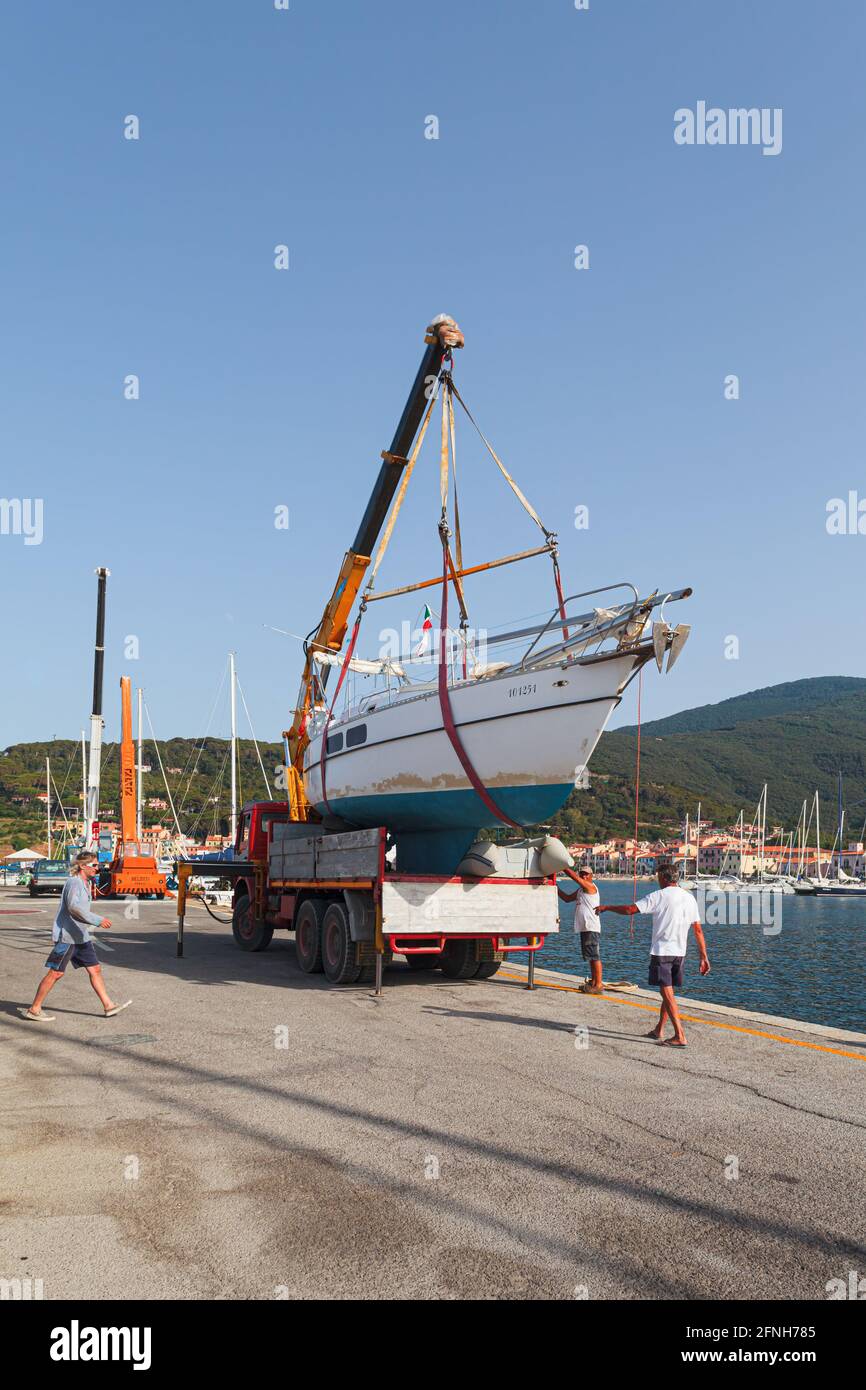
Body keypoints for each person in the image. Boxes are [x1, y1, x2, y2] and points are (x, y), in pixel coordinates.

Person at [596, 862, 709, 1046]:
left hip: (662, 952)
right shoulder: (689, 898)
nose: (657, 880)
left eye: (658, 877)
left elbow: (630, 910)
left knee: (667, 992)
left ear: (664, 878)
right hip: (680, 952)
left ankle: (680, 1035)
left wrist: (607, 907)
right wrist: (704, 956)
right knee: (668, 991)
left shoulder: (659, 895)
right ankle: (659, 1030)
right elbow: (698, 930)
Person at [20, 851, 131, 1022]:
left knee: (95, 969)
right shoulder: (74, 883)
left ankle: (108, 1005)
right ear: (82, 866)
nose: (97, 868)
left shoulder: (85, 883)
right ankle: (34, 1009)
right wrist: (97, 920)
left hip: (80, 936)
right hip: (68, 937)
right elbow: (73, 908)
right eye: (94, 865)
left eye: (98, 865)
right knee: (56, 973)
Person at [558, 862, 603, 994]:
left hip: (591, 926)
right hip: (584, 927)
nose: (583, 876)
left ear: (591, 876)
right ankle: (594, 982)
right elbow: (566, 898)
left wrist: (561, 865)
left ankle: (598, 984)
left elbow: (574, 878)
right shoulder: (580, 891)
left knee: (594, 956)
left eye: (586, 874)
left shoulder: (590, 887)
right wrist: (555, 886)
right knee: (590, 956)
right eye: (581, 873)